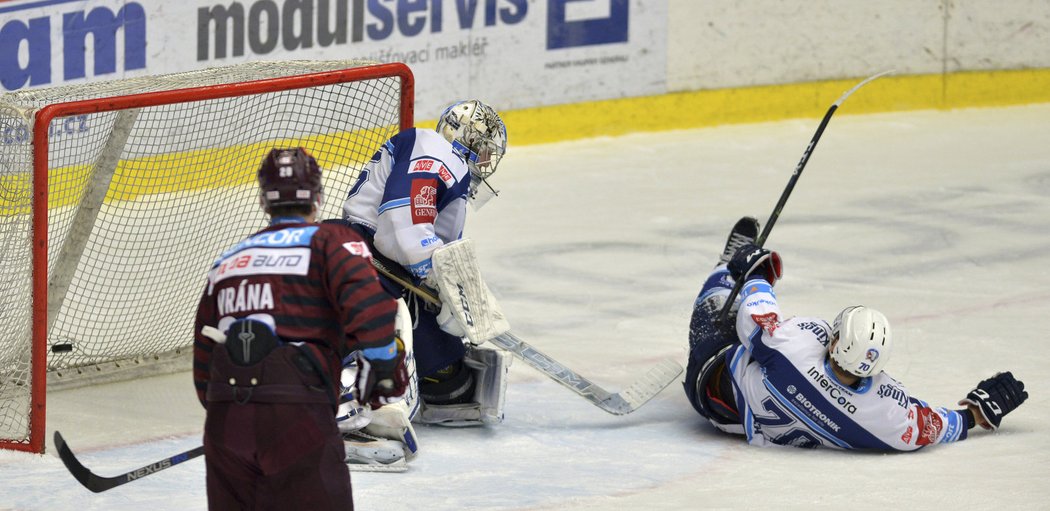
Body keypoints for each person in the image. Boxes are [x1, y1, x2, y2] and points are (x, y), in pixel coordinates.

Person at [683, 216, 1029, 450]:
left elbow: (756, 318)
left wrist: (754, 273)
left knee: (716, 306)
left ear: (835, 343)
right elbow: (934, 426)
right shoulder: (888, 420)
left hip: (712, 386)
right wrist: (975, 415)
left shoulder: (795, 347)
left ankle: (721, 268)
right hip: (747, 428)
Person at [192, 147, 407, 509]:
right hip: (296, 419)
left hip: (226, 421)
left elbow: (203, 364)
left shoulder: (228, 261)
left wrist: (240, 417)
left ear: (263, 201)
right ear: (318, 198)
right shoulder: (332, 242)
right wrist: (383, 382)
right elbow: (372, 312)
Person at [336, 98, 511, 443]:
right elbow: (401, 227)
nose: (488, 162)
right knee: (390, 329)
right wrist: (440, 280)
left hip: (387, 265)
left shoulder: (444, 163)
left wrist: (449, 285)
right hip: (365, 256)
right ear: (467, 139)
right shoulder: (436, 150)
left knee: (453, 379)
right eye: (486, 150)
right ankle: (351, 406)